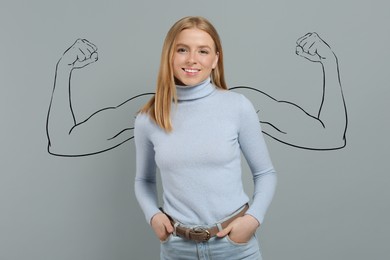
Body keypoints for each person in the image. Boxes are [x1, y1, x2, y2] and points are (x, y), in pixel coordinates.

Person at [134, 16, 277, 260]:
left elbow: (265, 173)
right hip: (177, 249)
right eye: (182, 49)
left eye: (203, 51)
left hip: (235, 247)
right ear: (169, 55)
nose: (192, 59)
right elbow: (144, 180)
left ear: (215, 60)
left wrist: (253, 220)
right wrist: (153, 215)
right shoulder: (149, 118)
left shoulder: (238, 107)